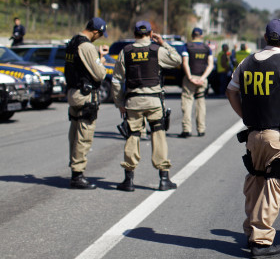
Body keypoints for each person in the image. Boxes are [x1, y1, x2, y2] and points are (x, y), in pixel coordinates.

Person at [226, 18, 280, 258]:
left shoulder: (247, 62)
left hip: (253, 134)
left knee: (255, 182)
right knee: (272, 186)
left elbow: (230, 91)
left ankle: (250, 231)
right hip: (277, 135)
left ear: (265, 38)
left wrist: (245, 115)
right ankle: (262, 242)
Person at [112, 21, 182, 192]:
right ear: (151, 34)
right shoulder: (156, 50)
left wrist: (120, 103)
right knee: (158, 136)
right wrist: (163, 43)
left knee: (132, 136)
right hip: (153, 102)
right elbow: (177, 60)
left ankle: (128, 180)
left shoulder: (126, 52)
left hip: (133, 102)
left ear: (134, 33)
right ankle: (164, 179)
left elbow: (116, 80)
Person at [65, 17, 109, 189]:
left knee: (74, 134)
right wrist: (102, 60)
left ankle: (74, 169)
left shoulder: (72, 42)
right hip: (85, 96)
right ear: (95, 31)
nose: (99, 37)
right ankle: (77, 175)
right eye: (100, 34)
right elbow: (100, 74)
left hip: (72, 93)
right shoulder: (87, 46)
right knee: (84, 136)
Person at [179, 27, 213, 138]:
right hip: (202, 79)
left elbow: (185, 62)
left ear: (192, 35)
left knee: (187, 103)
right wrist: (203, 78)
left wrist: (189, 77)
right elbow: (210, 65)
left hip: (190, 79)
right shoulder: (206, 48)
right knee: (201, 103)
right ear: (201, 36)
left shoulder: (187, 46)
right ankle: (201, 129)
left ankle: (186, 130)